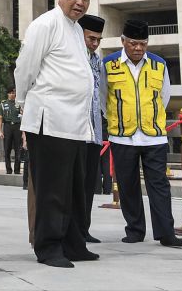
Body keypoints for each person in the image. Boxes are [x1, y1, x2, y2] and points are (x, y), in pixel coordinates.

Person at [15, 0, 98, 268]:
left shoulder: (76, 28)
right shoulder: (45, 24)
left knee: (75, 187)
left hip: (75, 123)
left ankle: (73, 243)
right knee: (52, 188)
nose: (80, 3)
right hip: (49, 119)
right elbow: (25, 68)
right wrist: (25, 103)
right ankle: (48, 247)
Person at [105, 19, 182, 249]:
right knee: (127, 185)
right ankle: (135, 230)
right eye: (133, 43)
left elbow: (164, 97)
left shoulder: (159, 64)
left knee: (159, 185)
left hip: (154, 136)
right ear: (123, 42)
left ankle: (166, 233)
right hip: (122, 136)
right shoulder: (109, 64)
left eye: (142, 44)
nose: (138, 48)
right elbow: (104, 98)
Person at [78, 14, 106, 244]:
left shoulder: (97, 60)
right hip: (76, 132)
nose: (94, 43)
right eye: (91, 38)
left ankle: (84, 228)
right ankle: (74, 230)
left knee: (89, 185)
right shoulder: (73, 56)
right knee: (74, 186)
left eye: (98, 40)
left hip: (94, 133)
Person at [0, 88, 22, 175]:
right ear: (8, 94)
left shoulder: (19, 104)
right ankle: (8, 170)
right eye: (10, 93)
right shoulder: (3, 104)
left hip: (17, 127)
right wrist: (0, 131)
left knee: (18, 149)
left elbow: (22, 116)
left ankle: (17, 170)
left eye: (13, 93)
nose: (12, 94)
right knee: (7, 149)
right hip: (7, 126)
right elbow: (0, 117)